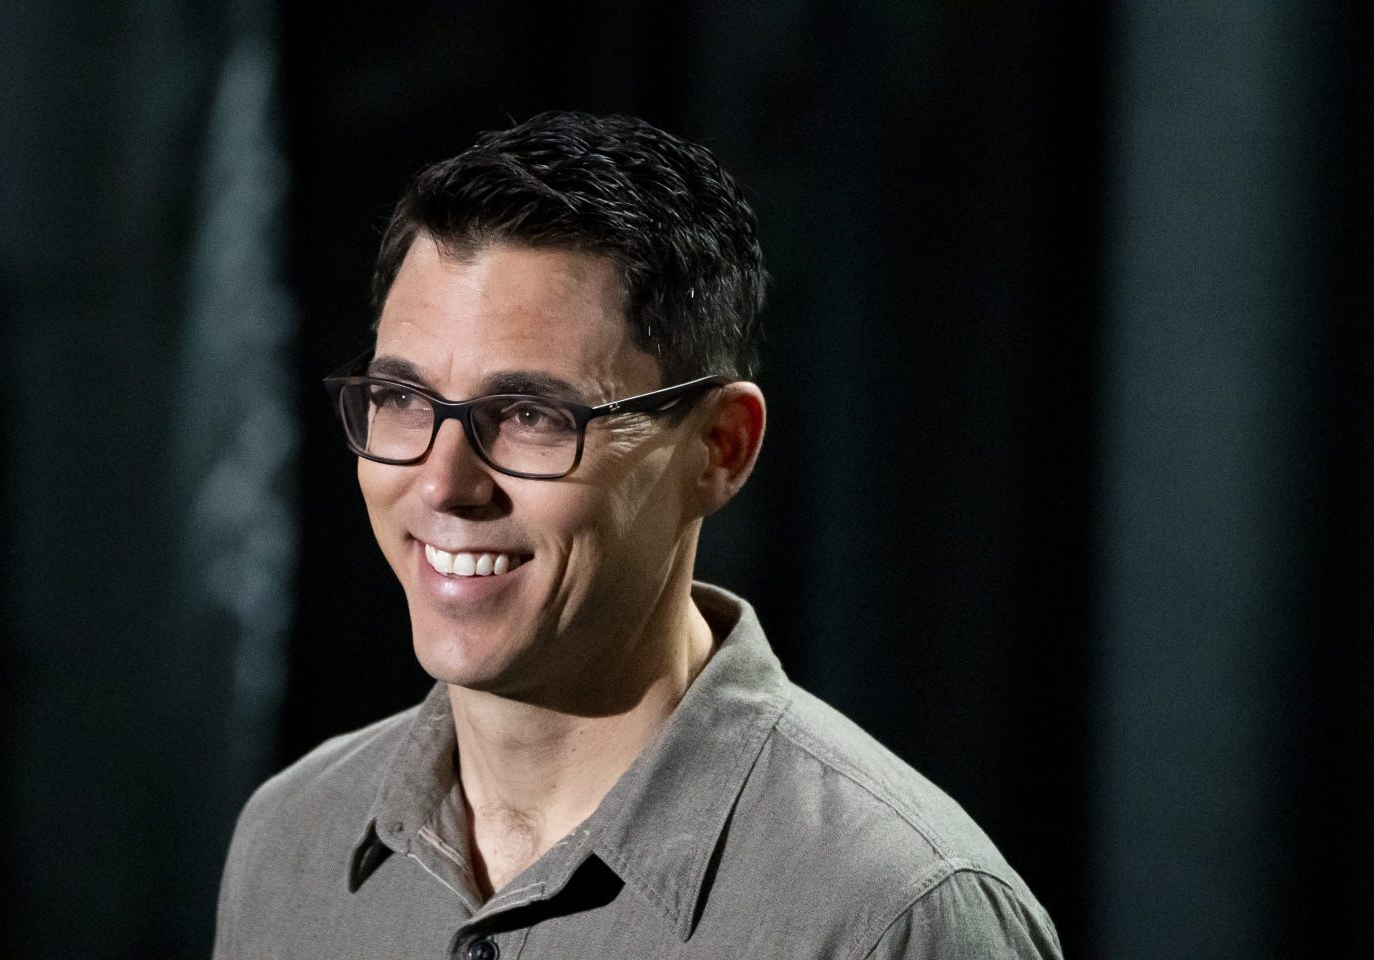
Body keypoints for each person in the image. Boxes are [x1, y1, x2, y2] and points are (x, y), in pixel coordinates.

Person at [214, 111, 1063, 959]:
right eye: (401, 399)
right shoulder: (292, 841)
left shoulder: (894, 915)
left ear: (719, 448)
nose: (443, 484)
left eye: (530, 414)